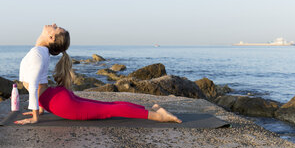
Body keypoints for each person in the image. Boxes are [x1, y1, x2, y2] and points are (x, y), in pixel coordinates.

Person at [14, 24, 181, 125]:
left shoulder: (38, 53)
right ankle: (152, 109)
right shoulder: (40, 52)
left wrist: (36, 116)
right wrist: (41, 109)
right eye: (56, 27)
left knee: (108, 110)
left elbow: (35, 84)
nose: (54, 24)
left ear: (51, 37)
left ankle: (158, 116)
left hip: (58, 102)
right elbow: (37, 81)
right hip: (54, 97)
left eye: (56, 28)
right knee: (108, 106)